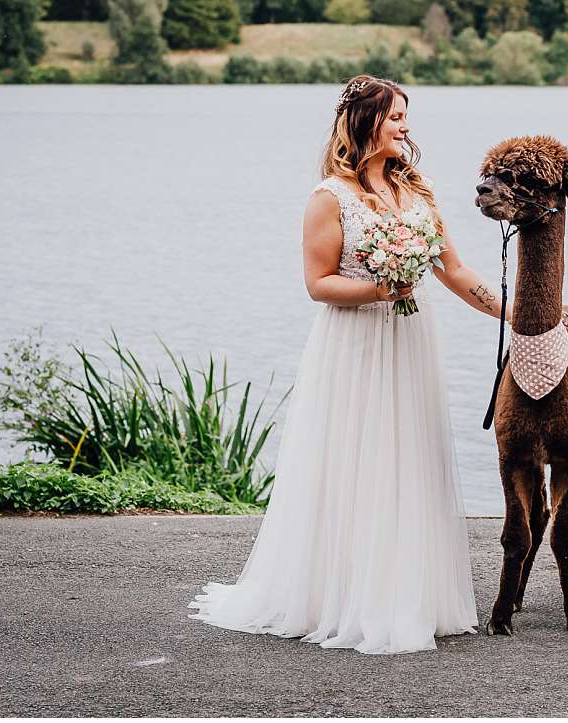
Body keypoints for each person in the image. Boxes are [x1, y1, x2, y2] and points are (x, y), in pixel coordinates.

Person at [190, 75, 510, 654]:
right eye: (395, 117)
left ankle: (408, 594)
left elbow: (455, 271)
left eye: (406, 116)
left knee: (408, 457)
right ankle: (341, 596)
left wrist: (513, 314)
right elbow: (318, 284)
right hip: (354, 346)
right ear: (365, 123)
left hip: (411, 343)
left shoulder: (420, 191)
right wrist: (382, 289)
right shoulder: (328, 197)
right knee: (355, 459)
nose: (406, 127)